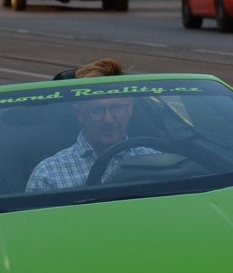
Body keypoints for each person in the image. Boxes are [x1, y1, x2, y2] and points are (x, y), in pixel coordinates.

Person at [26, 58, 156, 192]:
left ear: (129, 109)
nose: (108, 120)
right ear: (79, 114)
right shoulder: (48, 175)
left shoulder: (156, 162)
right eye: (97, 110)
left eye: (117, 108)